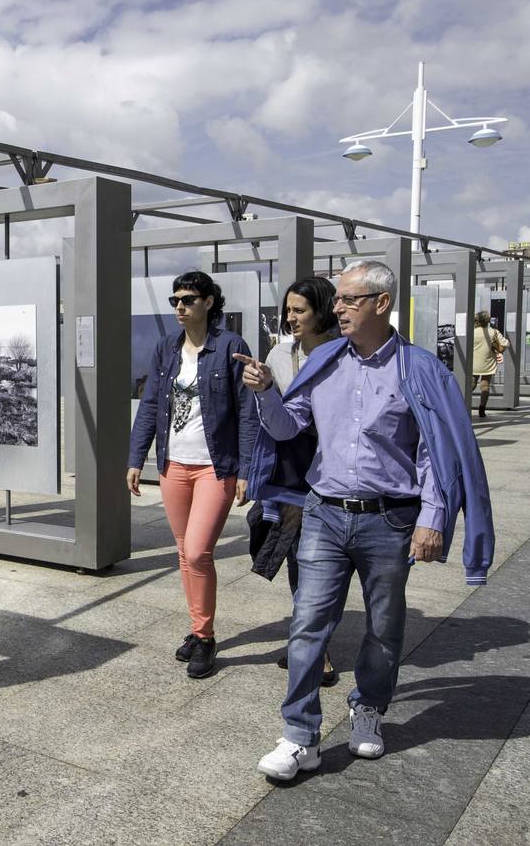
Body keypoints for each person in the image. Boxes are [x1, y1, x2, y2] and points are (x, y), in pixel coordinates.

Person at [238, 260, 494, 781]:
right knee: (308, 622)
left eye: (350, 299)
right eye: (338, 300)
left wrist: (432, 517)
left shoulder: (419, 368)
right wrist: (266, 390)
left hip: (389, 521)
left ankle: (369, 709)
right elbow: (289, 428)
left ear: (382, 303)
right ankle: (299, 736)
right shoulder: (326, 360)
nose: (339, 308)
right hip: (324, 514)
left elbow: (434, 453)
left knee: (383, 626)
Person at [127, 270, 258, 679]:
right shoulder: (166, 348)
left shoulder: (230, 346)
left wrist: (246, 468)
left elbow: (247, 411)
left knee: (199, 551)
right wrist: (136, 458)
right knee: (185, 552)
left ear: (209, 303)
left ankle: (205, 636)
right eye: (175, 301)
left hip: (214, 467)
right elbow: (150, 405)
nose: (179, 307)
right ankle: (200, 631)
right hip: (173, 466)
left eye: (188, 299)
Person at [254, 277, 341, 687]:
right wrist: (263, 389)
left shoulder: (343, 352)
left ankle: (314, 638)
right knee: (297, 558)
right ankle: (314, 646)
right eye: (288, 310)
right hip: (288, 467)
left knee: (327, 562)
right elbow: (272, 420)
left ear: (322, 310)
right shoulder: (279, 352)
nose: (290, 317)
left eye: (299, 310)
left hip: (333, 469)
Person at [471, 311, 509, 418]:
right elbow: (505, 344)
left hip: (473, 363)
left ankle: (462, 405)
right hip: (488, 363)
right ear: (488, 321)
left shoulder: (472, 332)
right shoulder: (493, 332)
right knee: (485, 386)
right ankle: (482, 409)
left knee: (471, 386)